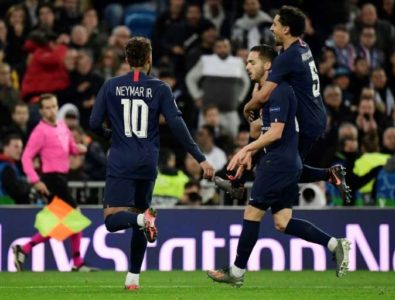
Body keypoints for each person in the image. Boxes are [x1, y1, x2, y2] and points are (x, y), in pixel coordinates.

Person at [207, 45, 350, 287]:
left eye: (252, 62)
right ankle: (335, 245)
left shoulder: (280, 92)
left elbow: (275, 132)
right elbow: (260, 128)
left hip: (277, 163)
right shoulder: (269, 93)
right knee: (282, 222)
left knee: (252, 213)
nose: (247, 66)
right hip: (288, 163)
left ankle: (237, 272)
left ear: (268, 65)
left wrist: (246, 149)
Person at [89, 36, 214, 290]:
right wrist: (200, 157)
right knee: (139, 213)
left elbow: (93, 123)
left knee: (113, 220)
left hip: (121, 161)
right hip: (147, 163)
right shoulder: (160, 88)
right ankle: (133, 279)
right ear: (149, 59)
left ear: (126, 59)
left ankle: (141, 221)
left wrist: (110, 135)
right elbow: (178, 126)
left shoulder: (111, 85)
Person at [242, 6, 350, 202]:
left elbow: (264, 96)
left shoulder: (287, 58)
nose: (271, 28)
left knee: (285, 165)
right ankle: (305, 181)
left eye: (275, 24)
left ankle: (298, 187)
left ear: (286, 29)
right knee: (272, 147)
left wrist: (247, 107)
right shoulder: (301, 47)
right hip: (314, 114)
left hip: (306, 121)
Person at [12, 93, 94, 272]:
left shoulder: (63, 126)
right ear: (41, 111)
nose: (51, 110)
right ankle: (77, 262)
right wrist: (35, 180)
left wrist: (78, 149)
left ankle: (24, 249)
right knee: (75, 215)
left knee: (61, 222)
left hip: (61, 178)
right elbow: (26, 157)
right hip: (51, 179)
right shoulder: (40, 132)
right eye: (47, 107)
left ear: (57, 107)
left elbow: (70, 147)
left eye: (53, 106)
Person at [0, 134, 29, 204]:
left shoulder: (9, 165)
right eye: (16, 147)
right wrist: (26, 183)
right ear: (5, 147)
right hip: (6, 208)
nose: (20, 150)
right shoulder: (7, 168)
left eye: (21, 147)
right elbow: (15, 192)